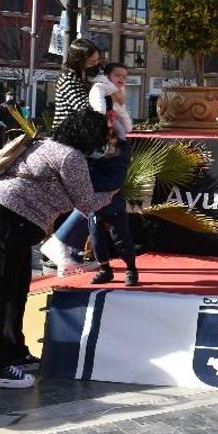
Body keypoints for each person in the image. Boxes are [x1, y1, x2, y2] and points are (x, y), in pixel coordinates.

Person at [0, 107, 115, 388]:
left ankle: (14, 352)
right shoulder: (70, 157)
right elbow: (86, 204)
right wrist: (113, 195)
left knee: (17, 286)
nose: (103, 143)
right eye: (102, 136)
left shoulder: (47, 143)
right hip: (5, 216)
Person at [40, 39, 105, 273]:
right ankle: (58, 247)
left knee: (77, 198)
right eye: (92, 60)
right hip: (69, 144)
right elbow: (84, 109)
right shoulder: (70, 79)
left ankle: (65, 249)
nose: (96, 63)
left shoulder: (78, 78)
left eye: (97, 60)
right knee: (82, 196)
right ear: (80, 59)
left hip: (73, 144)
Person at [86, 62, 138, 286]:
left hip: (117, 154)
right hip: (99, 153)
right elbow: (99, 118)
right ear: (107, 76)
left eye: (125, 77)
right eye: (118, 75)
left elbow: (127, 127)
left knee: (119, 227)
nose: (122, 80)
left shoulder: (117, 98)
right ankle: (104, 268)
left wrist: (120, 106)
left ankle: (130, 268)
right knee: (95, 226)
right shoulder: (98, 90)